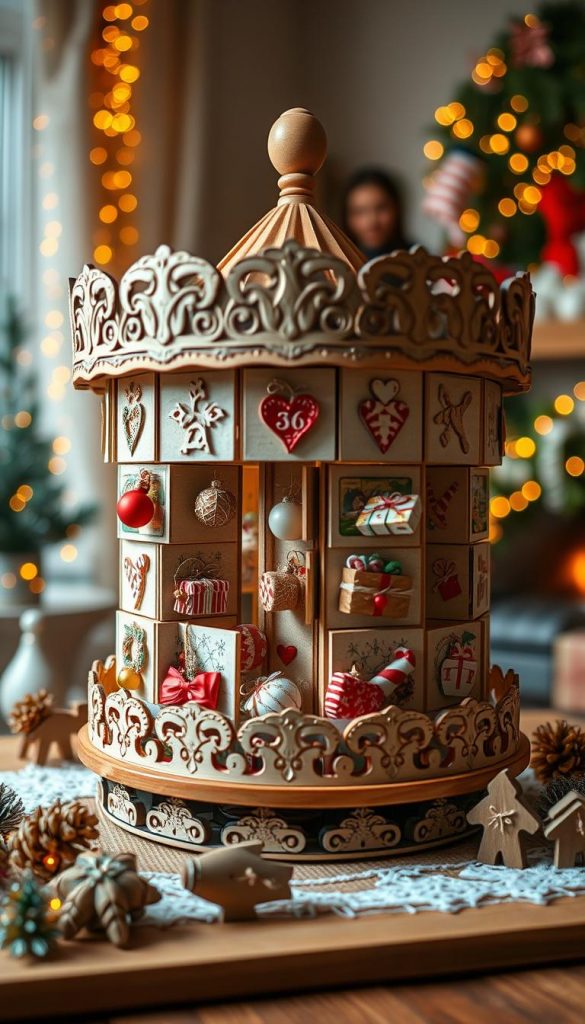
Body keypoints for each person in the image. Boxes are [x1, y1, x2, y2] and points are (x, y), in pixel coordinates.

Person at [342, 168, 412, 259]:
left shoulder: (418, 261)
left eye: (381, 208)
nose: (372, 222)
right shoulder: (334, 264)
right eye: (359, 211)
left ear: (396, 209)